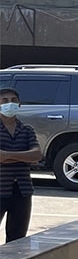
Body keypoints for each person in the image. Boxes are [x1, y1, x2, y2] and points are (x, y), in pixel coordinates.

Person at [0, 87, 41, 243]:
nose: (9, 104)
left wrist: (7, 155)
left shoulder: (26, 130)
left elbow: (37, 154)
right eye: (4, 101)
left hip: (22, 190)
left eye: (13, 100)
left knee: (18, 238)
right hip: (1, 186)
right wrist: (24, 156)